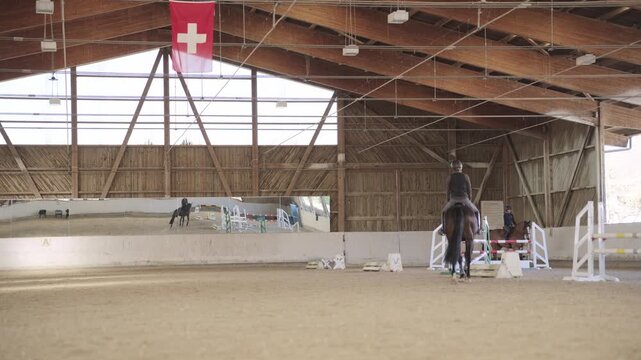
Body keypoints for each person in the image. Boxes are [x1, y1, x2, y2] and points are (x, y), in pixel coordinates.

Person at [439, 160, 480, 235]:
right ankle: (478, 228)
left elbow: (448, 191)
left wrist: (448, 200)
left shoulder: (449, 177)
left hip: (453, 200)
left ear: (452, 168)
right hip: (465, 199)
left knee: (443, 212)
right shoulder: (466, 176)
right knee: (477, 211)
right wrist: (469, 200)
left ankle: (443, 228)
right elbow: (469, 190)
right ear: (461, 167)